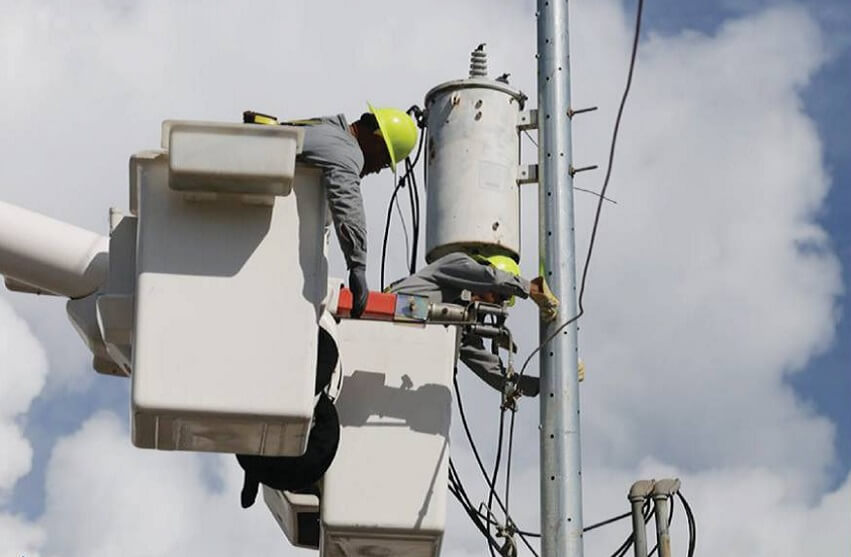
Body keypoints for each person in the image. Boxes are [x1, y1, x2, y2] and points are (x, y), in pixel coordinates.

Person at [246, 105, 418, 317]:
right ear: (376, 139)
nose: (375, 170)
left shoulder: (325, 130)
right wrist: (358, 265)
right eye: (383, 161)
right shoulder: (346, 150)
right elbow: (347, 200)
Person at [387, 251, 560, 395]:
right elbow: (490, 278)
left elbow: (494, 374)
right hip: (381, 321)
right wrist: (531, 288)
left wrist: (548, 386)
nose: (498, 305)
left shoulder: (461, 323)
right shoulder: (456, 263)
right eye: (502, 296)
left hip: (395, 360)